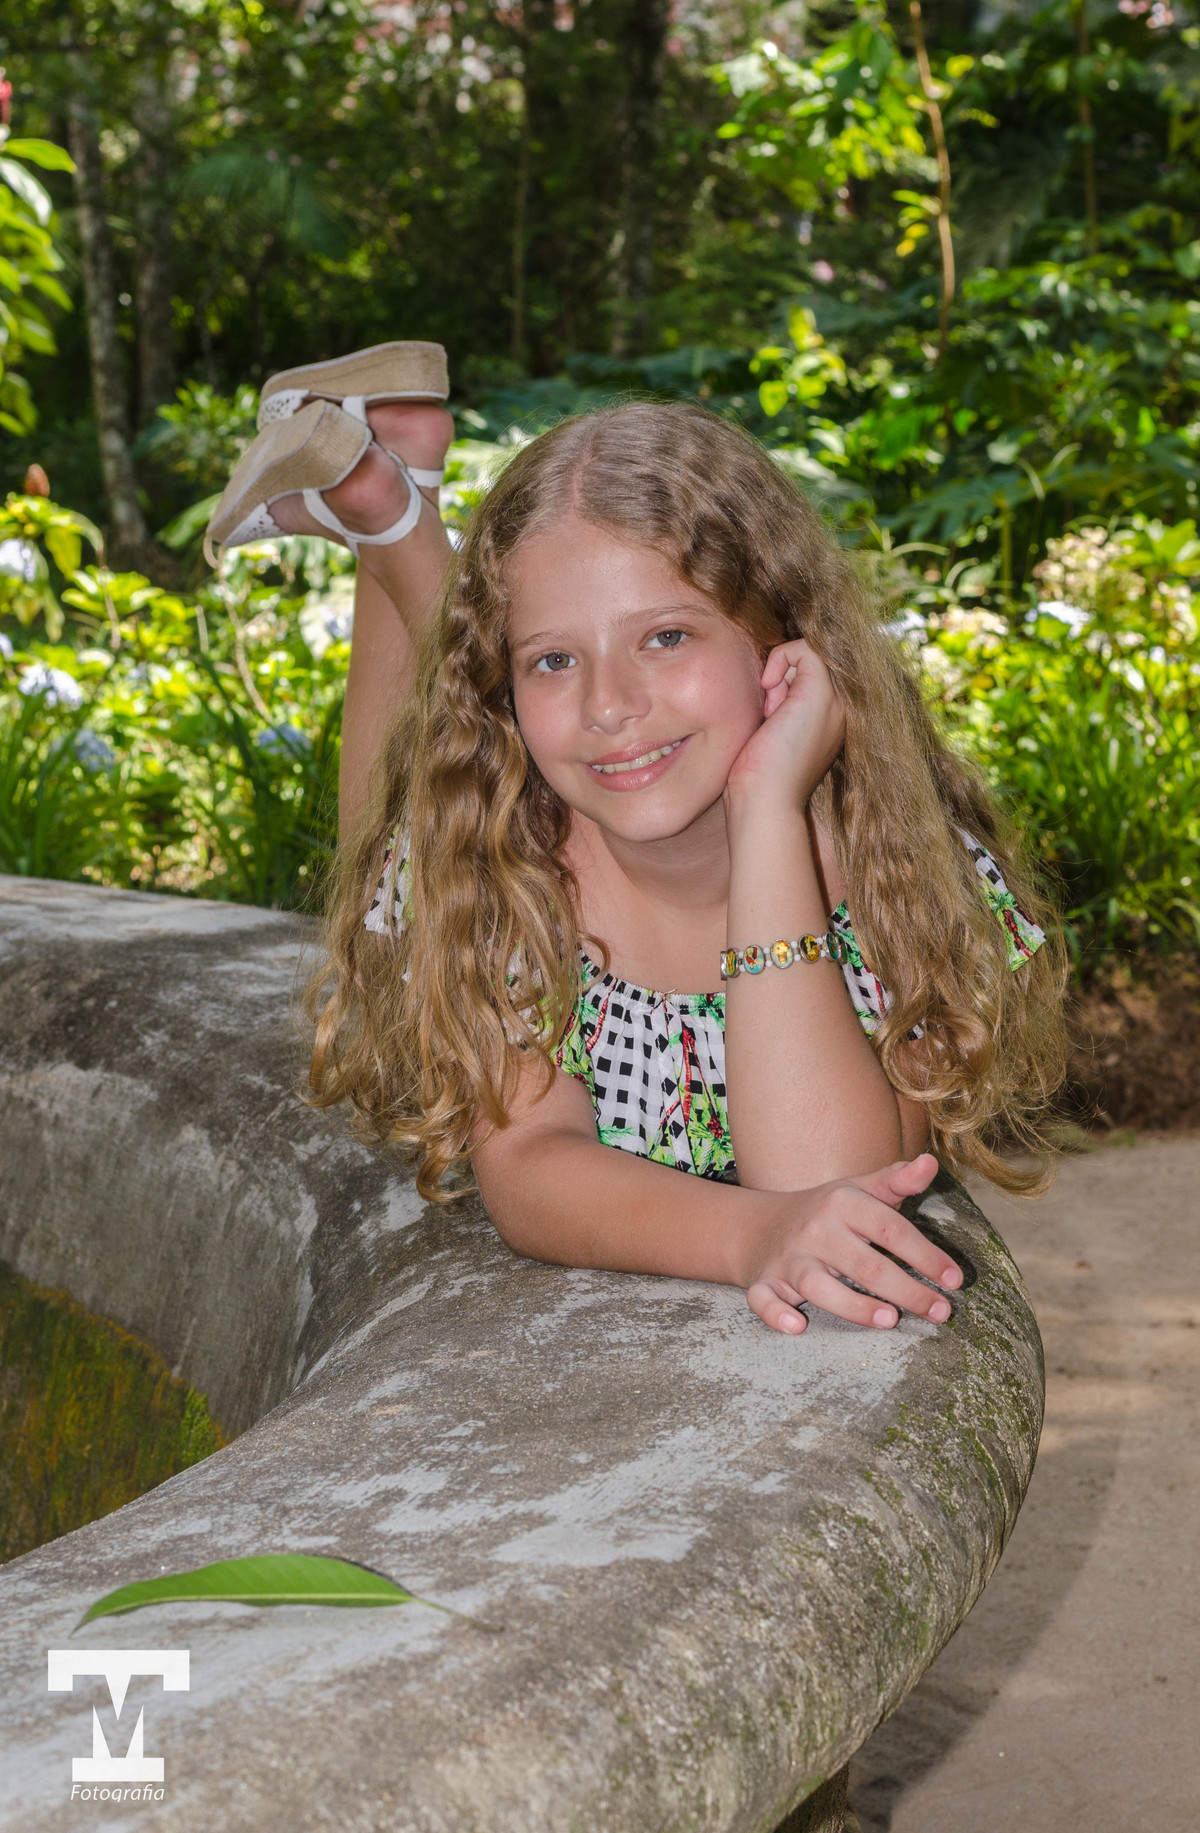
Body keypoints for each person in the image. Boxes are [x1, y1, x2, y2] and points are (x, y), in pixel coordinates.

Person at [207, 343, 1066, 1338]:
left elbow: (833, 1182)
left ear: (780, 643)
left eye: (666, 636)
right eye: (553, 660)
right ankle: (393, 525)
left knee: (408, 838)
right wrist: (750, 1237)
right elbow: (529, 1168)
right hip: (487, 853)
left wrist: (767, 811)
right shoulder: (505, 870)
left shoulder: (899, 871)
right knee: (391, 857)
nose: (611, 705)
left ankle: (389, 490)